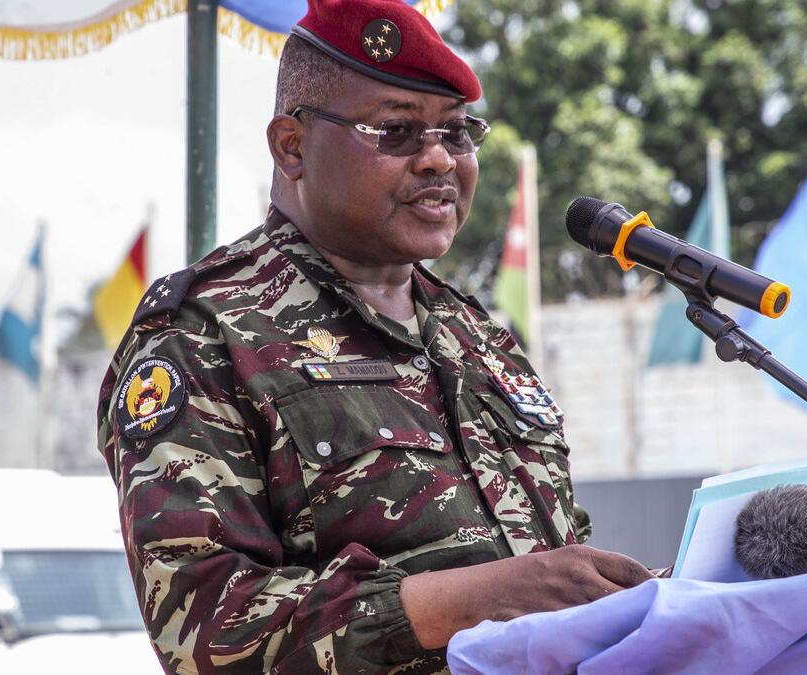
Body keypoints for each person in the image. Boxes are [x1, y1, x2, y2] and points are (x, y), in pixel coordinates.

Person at [96, 1, 652, 672]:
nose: (438, 159)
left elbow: (559, 554)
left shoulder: (478, 336)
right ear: (292, 147)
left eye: (456, 131)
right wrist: (475, 600)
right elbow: (205, 628)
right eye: (396, 131)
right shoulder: (203, 335)